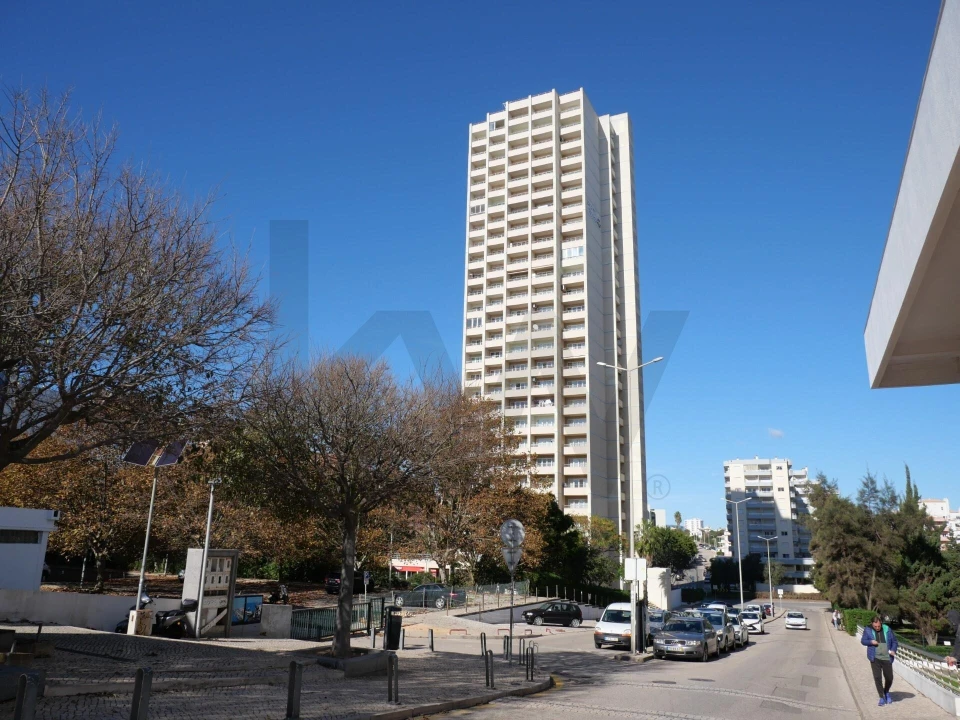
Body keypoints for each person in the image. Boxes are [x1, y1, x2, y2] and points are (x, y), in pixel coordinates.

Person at [861, 615, 897, 706]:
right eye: (875, 626)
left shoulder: (887, 629)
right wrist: (870, 642)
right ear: (872, 624)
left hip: (886, 658)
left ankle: (886, 691)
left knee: (889, 678)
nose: (877, 628)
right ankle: (881, 697)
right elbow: (863, 641)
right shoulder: (868, 629)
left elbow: (895, 642)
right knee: (877, 678)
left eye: (878, 626)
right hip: (875, 658)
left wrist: (893, 650)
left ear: (881, 622)